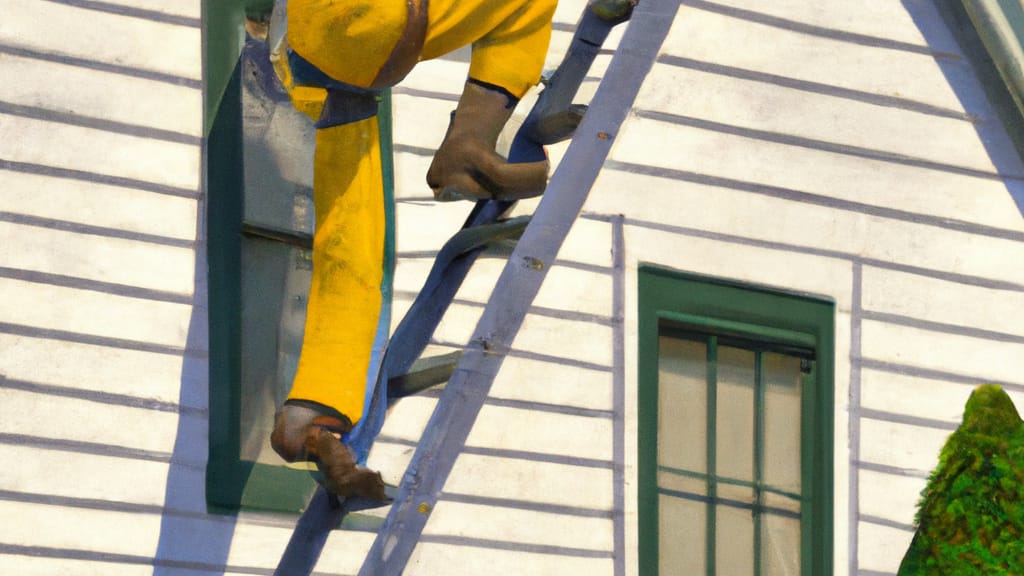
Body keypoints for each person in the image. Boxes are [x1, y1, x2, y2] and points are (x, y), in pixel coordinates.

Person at [266, 0, 559, 501]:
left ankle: (312, 417)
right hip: (355, 23)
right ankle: (469, 140)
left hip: (316, 63)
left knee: (351, 239)